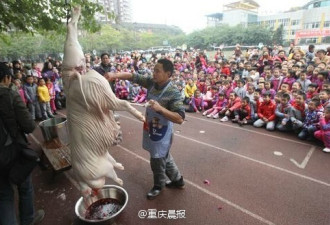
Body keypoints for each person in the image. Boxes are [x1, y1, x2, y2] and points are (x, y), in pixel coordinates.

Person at [107, 59, 185, 200]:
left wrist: (160, 108)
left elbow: (180, 118)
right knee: (163, 156)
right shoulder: (151, 82)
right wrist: (115, 75)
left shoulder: (173, 92)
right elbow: (132, 76)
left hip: (162, 132)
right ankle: (177, 179)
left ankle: (158, 185)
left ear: (168, 74)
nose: (153, 73)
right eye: (153, 70)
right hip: (151, 126)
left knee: (157, 159)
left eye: (157, 71)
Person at [0, 62, 44, 225]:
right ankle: (28, 219)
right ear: (6, 77)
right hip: (11, 152)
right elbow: (29, 125)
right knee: (24, 187)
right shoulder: (9, 94)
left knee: (4, 196)